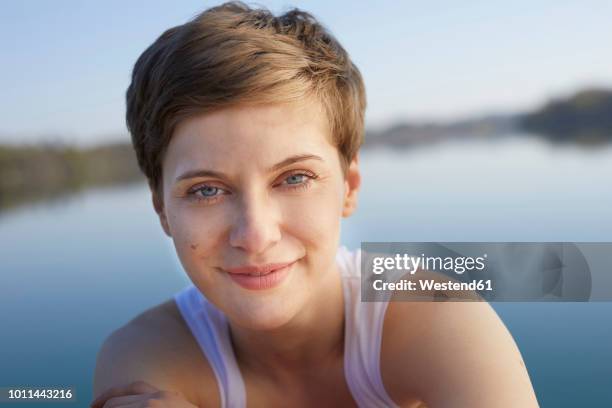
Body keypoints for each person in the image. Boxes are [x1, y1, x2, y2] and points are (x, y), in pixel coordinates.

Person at [91, 2, 539, 407]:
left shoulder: (435, 312)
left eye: (295, 178)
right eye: (207, 190)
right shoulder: (145, 355)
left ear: (349, 186)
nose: (256, 235)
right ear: (162, 209)